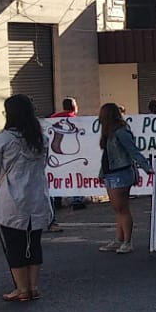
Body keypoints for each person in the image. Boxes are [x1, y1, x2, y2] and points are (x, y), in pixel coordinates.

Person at [0, 95, 52, 302]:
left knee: (15, 244)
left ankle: (21, 289)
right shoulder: (41, 137)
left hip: (11, 199)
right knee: (34, 242)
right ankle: (33, 286)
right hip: (37, 196)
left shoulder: (3, 139)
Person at [96, 103, 155, 254]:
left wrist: (146, 167)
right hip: (111, 173)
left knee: (122, 209)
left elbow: (133, 151)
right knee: (118, 209)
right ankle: (120, 239)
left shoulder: (121, 132)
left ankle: (127, 241)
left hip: (121, 173)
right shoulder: (110, 132)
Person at [48, 97, 85, 230]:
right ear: (74, 107)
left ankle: (57, 198)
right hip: (72, 152)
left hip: (56, 154)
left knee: (58, 176)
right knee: (75, 175)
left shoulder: (53, 117)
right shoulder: (74, 119)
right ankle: (77, 200)